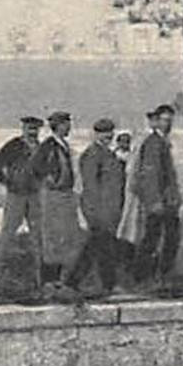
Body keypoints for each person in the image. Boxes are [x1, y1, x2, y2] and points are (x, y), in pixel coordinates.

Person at [119, 104, 181, 282]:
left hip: (167, 201)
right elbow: (150, 175)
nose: (167, 124)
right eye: (164, 120)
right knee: (154, 240)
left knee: (164, 238)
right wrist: (154, 201)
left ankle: (157, 276)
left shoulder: (162, 142)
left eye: (170, 121)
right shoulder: (153, 143)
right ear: (155, 122)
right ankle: (145, 276)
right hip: (159, 203)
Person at [66, 117, 125, 295]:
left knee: (98, 247)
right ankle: (104, 284)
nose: (108, 136)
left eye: (109, 133)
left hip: (110, 209)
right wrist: (93, 212)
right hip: (98, 209)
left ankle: (75, 281)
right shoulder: (92, 154)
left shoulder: (109, 154)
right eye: (103, 133)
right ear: (96, 134)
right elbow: (90, 186)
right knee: (101, 247)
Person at [29, 110, 83, 289]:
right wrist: (49, 180)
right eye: (66, 124)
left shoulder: (63, 145)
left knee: (65, 237)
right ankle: (48, 280)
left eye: (69, 123)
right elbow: (35, 167)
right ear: (58, 126)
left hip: (64, 195)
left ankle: (61, 279)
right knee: (52, 237)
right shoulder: (48, 146)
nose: (69, 127)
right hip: (53, 196)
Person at [0, 115, 44, 268]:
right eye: (29, 129)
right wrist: (7, 182)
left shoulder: (40, 148)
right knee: (9, 228)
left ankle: (40, 264)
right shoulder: (14, 145)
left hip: (35, 195)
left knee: (38, 230)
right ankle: (0, 262)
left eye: (35, 129)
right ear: (23, 129)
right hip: (16, 194)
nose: (32, 132)